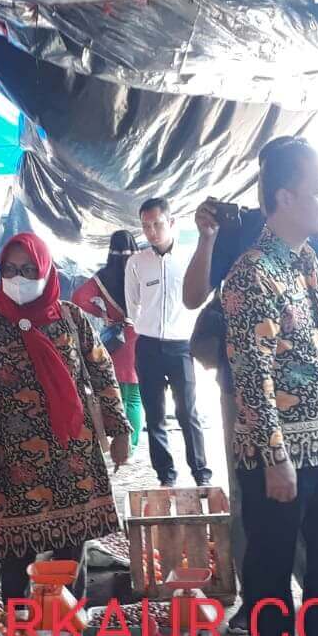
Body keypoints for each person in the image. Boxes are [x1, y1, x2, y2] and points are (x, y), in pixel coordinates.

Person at [220, 138, 318, 636]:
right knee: (271, 564)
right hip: (277, 457)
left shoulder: (310, 262)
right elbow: (251, 375)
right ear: (284, 196)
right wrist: (276, 458)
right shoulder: (251, 274)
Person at [0, 232, 131, 600]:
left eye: (28, 269)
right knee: (16, 556)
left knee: (72, 554)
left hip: (74, 457)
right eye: (9, 269)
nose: (18, 278)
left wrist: (119, 431)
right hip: (14, 463)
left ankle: (69, 634)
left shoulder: (72, 318)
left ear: (46, 269)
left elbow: (102, 372)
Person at [126, 198, 210, 487]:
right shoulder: (136, 263)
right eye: (146, 226)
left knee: (188, 412)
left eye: (157, 224)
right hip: (147, 346)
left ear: (171, 223)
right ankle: (166, 477)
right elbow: (132, 304)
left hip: (181, 346)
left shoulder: (190, 258)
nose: (151, 231)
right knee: (155, 414)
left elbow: (202, 300)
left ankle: (201, 474)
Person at [71, 231, 144, 448]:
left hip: (116, 338)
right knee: (135, 397)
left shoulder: (103, 276)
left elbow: (78, 298)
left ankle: (121, 441)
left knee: (119, 393)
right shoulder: (142, 271)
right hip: (140, 335)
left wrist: (103, 314)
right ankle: (131, 444)